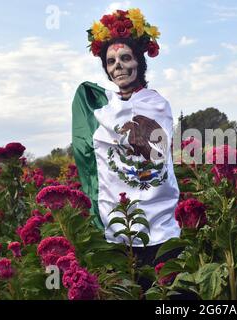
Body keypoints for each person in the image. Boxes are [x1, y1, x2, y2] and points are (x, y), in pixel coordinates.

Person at [71, 8, 185, 293]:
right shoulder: (104, 111)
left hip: (160, 225)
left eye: (125, 58)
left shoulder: (157, 104)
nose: (118, 66)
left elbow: (152, 145)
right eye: (111, 62)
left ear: (139, 62)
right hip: (119, 228)